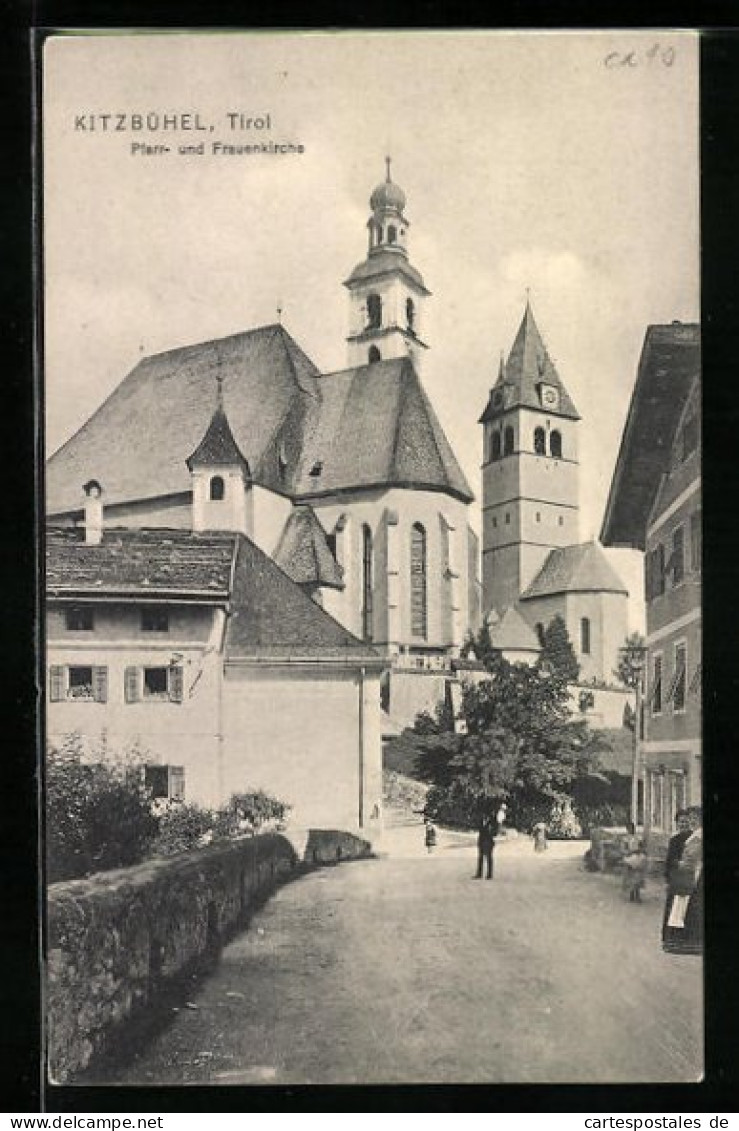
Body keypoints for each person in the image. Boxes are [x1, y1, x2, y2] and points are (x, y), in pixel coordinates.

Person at [662, 806, 702, 954]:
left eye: (688, 821)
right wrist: (668, 877)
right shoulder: (675, 839)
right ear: (676, 823)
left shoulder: (694, 837)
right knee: (675, 907)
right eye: (681, 822)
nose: (684, 824)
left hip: (688, 875)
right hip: (677, 876)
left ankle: (684, 943)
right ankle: (671, 940)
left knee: (686, 908)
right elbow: (669, 860)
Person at [619, 821, 647, 902]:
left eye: (632, 828)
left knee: (638, 877)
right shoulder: (625, 839)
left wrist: (640, 851)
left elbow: (642, 847)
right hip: (629, 858)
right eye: (629, 828)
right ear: (627, 829)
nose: (631, 830)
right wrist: (629, 852)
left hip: (638, 857)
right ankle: (631, 894)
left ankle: (637, 894)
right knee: (630, 877)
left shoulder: (638, 837)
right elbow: (623, 850)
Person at [475, 810, 498, 879]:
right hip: (481, 841)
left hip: (489, 841)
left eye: (486, 815)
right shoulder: (481, 821)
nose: (485, 816)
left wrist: (490, 832)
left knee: (489, 858)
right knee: (480, 858)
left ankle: (489, 874)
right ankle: (479, 874)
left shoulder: (493, 822)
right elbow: (479, 830)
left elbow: (495, 833)